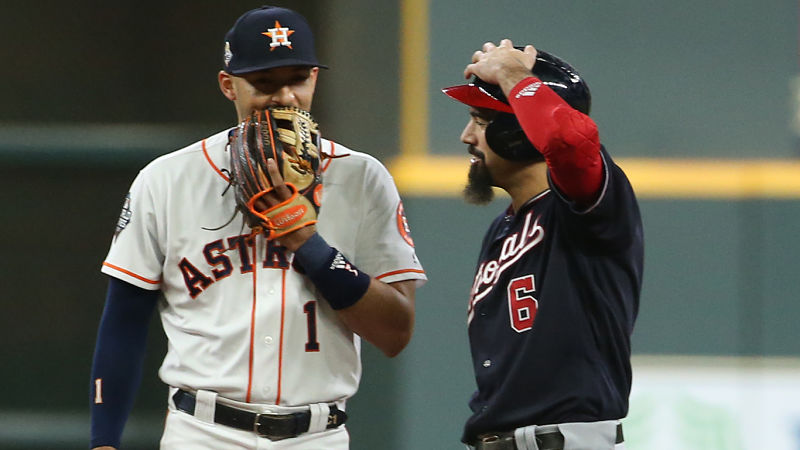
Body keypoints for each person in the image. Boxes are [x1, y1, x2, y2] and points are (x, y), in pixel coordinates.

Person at [89, 6, 426, 450]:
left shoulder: (363, 178)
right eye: (265, 83)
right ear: (229, 85)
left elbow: (394, 332)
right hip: (204, 433)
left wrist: (307, 242)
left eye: (298, 79)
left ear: (314, 80)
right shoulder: (168, 179)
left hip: (317, 436)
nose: (285, 97)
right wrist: (104, 441)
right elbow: (124, 321)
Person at [442, 40, 643, 450]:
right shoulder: (504, 228)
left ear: (517, 132)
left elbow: (570, 145)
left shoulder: (585, 207)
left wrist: (515, 77)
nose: (467, 136)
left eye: (480, 121)